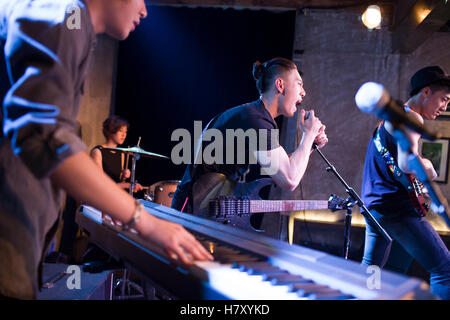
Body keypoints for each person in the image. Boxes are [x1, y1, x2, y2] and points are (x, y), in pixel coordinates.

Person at [0, 0, 212, 300]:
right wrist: (146, 223)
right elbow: (44, 137)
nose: (145, 11)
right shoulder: (63, 16)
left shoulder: (72, 23)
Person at [171, 57, 328, 231]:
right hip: (194, 211)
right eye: (299, 84)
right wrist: (308, 135)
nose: (303, 92)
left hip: (207, 208)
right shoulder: (256, 121)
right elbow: (289, 179)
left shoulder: (256, 116)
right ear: (280, 85)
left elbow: (281, 166)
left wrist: (310, 145)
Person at [360, 66, 450, 300]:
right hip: (396, 211)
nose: (445, 107)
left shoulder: (388, 120)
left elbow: (395, 169)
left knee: (373, 272)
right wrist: (428, 166)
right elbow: (407, 164)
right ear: (427, 92)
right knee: (445, 270)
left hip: (375, 208)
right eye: (444, 99)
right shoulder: (411, 116)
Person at [90, 115, 143, 193]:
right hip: (99, 195)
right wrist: (128, 185)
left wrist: (124, 176)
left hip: (113, 194)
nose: (124, 135)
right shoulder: (98, 151)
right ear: (111, 131)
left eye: (125, 132)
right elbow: (100, 184)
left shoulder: (121, 153)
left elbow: (119, 182)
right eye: (121, 131)